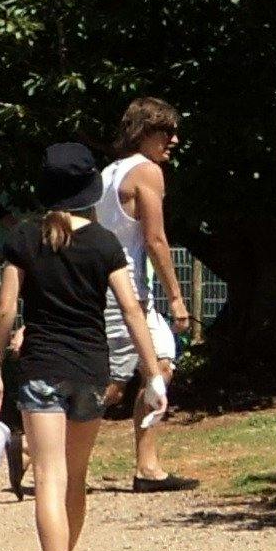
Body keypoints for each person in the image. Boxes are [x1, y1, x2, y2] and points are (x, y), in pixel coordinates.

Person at [0, 141, 167, 551]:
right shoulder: (106, 242)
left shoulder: (24, 239)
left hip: (41, 366)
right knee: (75, 478)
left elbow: (5, 311)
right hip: (91, 370)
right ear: (89, 190)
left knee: (48, 476)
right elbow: (132, 309)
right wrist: (152, 374)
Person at [96, 99, 198, 492]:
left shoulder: (108, 173)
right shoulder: (147, 172)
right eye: (165, 132)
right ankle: (35, 445)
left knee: (160, 366)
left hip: (119, 288)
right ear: (143, 132)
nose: (173, 139)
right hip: (127, 293)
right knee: (115, 384)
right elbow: (155, 238)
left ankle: (148, 467)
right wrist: (177, 298)